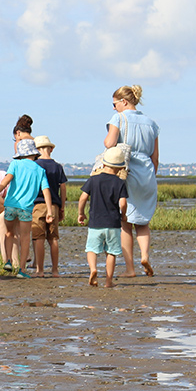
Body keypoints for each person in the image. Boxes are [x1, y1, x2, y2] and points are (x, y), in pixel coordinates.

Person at [105, 84, 159, 277]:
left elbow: (110, 143)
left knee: (125, 222)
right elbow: (155, 158)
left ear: (124, 102)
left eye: (114, 103)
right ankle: (144, 255)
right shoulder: (151, 123)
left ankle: (130, 268)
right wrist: (151, 175)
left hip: (127, 172)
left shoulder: (118, 118)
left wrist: (106, 141)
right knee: (143, 221)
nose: (113, 108)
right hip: (147, 173)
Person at [0, 139, 56, 278]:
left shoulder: (15, 164)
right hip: (26, 208)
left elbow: (6, 180)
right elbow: (46, 191)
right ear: (34, 154)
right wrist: (50, 211)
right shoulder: (40, 170)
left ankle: (8, 261)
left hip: (10, 205)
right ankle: (22, 270)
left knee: (9, 233)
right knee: (25, 238)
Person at [77, 147, 128, 288]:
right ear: (120, 168)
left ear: (103, 164)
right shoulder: (119, 183)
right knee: (111, 252)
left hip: (95, 223)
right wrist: (123, 215)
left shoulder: (93, 180)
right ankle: (108, 281)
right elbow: (123, 203)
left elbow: (82, 198)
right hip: (113, 223)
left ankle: (93, 269)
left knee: (92, 249)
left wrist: (81, 213)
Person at [31, 135, 67, 277]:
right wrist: (62, 207)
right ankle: (55, 270)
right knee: (53, 238)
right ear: (51, 149)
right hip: (54, 205)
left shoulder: (35, 166)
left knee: (38, 237)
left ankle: (40, 270)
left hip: (37, 204)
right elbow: (63, 188)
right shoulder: (58, 167)